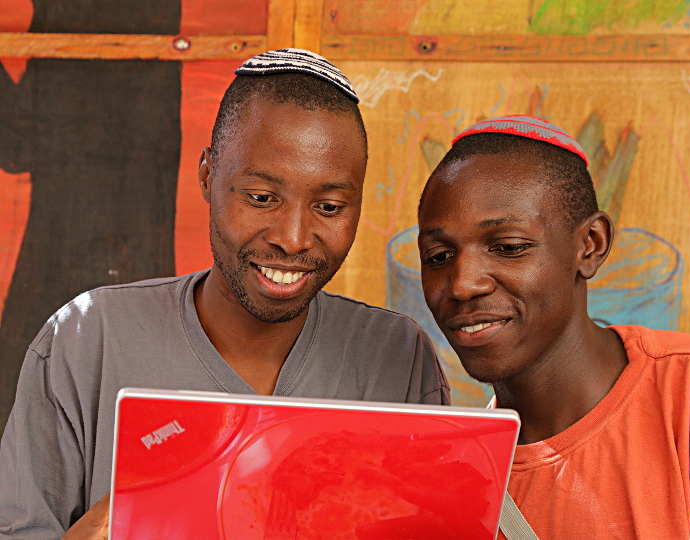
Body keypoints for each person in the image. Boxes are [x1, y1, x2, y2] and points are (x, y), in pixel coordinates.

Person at [0, 48, 449, 538]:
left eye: (329, 206)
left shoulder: (399, 360)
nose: (293, 237)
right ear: (208, 175)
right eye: (261, 198)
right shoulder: (89, 341)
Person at [417, 115, 690, 539]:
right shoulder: (448, 479)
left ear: (590, 244)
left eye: (508, 247)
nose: (463, 284)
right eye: (438, 256)